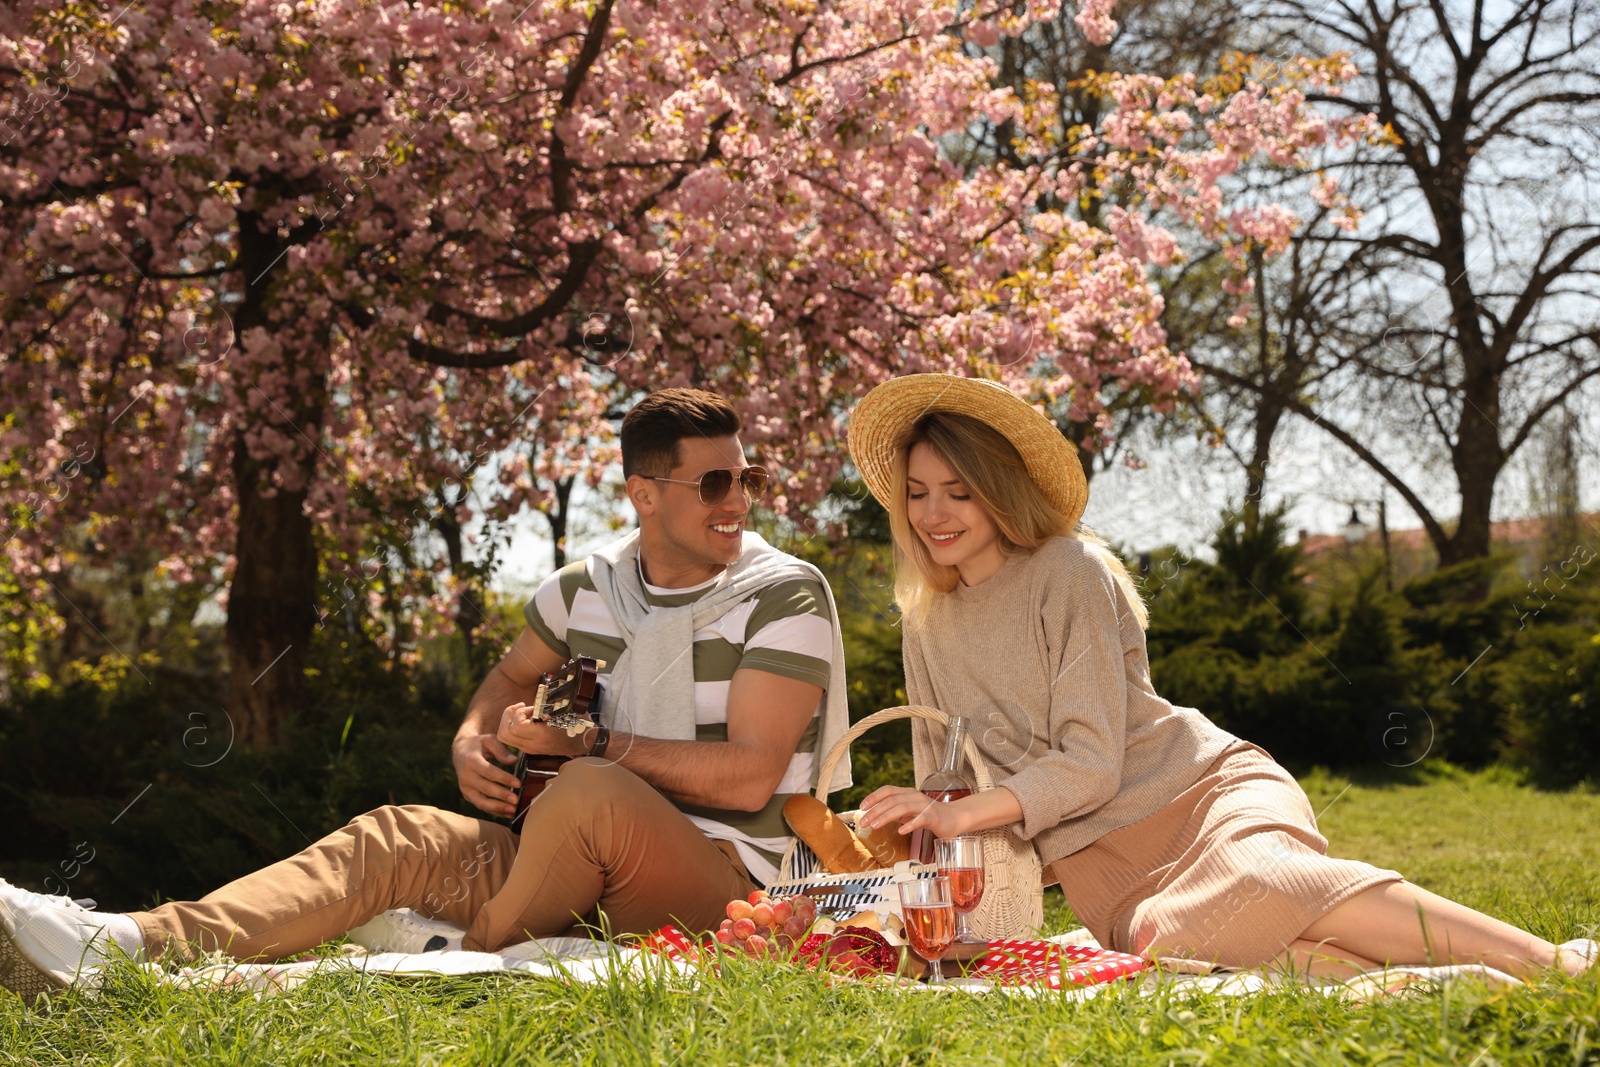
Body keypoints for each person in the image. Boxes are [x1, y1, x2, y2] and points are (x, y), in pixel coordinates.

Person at [0, 388, 850, 1005]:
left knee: (589, 790)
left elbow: (748, 778)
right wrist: (471, 740)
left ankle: (449, 960)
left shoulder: (782, 594)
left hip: (724, 880)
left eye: (747, 476)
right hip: (569, 853)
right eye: (714, 484)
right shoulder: (583, 589)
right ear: (643, 494)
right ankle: (125, 943)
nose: (738, 499)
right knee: (392, 834)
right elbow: (509, 679)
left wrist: (590, 750)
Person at [848, 373, 1595, 980]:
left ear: (999, 489)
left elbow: (1091, 762)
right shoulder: (925, 619)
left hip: (1195, 795)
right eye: (917, 492)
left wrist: (962, 814)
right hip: (1104, 867)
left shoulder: (1066, 572)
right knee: (1175, 948)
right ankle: (1432, 981)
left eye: (958, 489)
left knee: (1271, 884)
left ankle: (1552, 962)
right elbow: (945, 776)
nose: (934, 513)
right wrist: (917, 837)